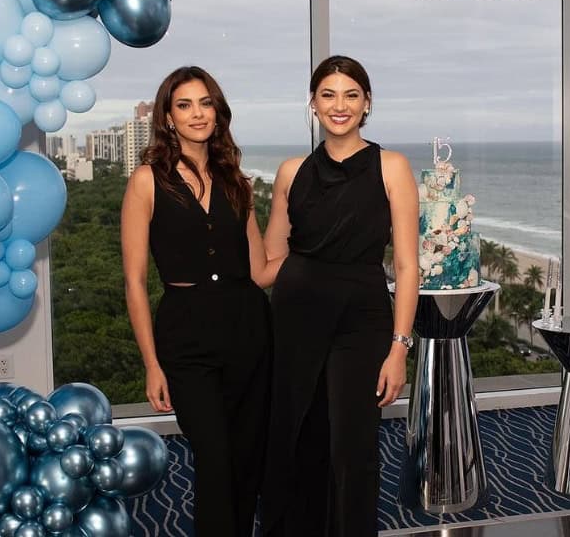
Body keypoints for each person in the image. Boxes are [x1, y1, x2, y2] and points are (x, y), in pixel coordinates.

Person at [261, 55, 420, 537]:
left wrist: (399, 347)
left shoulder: (392, 167)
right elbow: (268, 266)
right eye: (328, 95)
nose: (339, 105)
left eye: (351, 95)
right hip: (294, 318)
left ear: (367, 104)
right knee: (296, 441)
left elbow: (409, 267)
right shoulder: (290, 172)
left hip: (361, 320)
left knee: (351, 449)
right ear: (312, 104)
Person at [121, 66, 278, 537]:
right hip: (185, 341)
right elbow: (133, 281)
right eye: (184, 105)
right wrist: (152, 364)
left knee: (248, 461)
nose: (196, 114)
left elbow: (259, 271)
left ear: (217, 111)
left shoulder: (237, 182)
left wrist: (317, 246)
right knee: (215, 459)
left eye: (205, 103)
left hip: (250, 332)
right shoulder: (147, 181)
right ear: (167, 116)